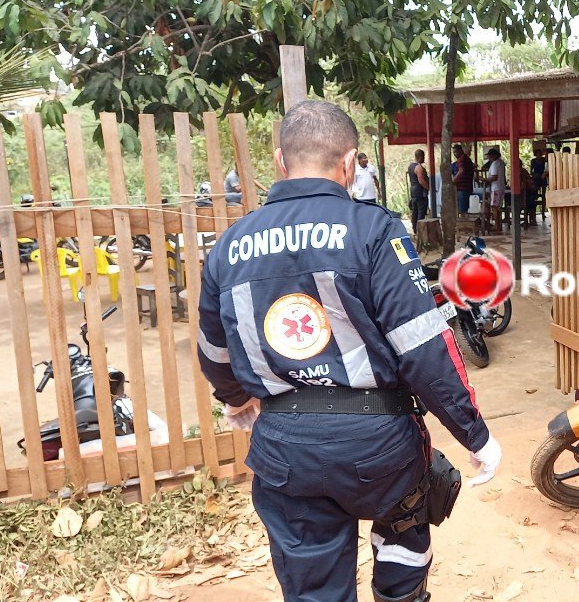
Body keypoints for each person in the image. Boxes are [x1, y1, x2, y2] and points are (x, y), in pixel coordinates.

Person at [196, 100, 502, 602]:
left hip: (284, 447)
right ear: (350, 163)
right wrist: (474, 433)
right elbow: (423, 345)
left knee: (313, 586)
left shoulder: (230, 245)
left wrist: (235, 399)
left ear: (280, 160)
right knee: (405, 527)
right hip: (379, 444)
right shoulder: (374, 230)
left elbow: (214, 349)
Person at [485, 148, 506, 233]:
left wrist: (484, 179)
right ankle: (499, 225)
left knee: (494, 207)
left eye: (490, 156)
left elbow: (494, 177)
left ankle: (497, 226)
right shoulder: (501, 163)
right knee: (498, 207)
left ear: (494, 156)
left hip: (495, 187)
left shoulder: (494, 164)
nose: (489, 157)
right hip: (501, 187)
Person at [408, 149, 429, 230]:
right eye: (423, 156)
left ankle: (414, 228)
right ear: (420, 157)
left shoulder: (411, 166)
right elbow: (421, 181)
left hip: (413, 191)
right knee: (421, 211)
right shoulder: (419, 167)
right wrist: (428, 188)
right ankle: (420, 229)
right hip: (420, 192)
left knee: (415, 211)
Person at [453, 145, 475, 215]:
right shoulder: (467, 159)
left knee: (462, 210)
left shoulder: (461, 159)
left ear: (460, 151)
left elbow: (461, 171)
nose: (454, 154)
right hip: (468, 187)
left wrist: (453, 181)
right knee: (465, 209)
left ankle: (463, 225)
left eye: (455, 152)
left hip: (462, 188)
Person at [531, 149, 547, 221]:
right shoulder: (533, 161)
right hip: (536, 179)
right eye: (537, 154)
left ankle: (543, 212)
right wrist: (535, 175)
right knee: (534, 195)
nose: (538, 155)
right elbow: (532, 171)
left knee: (544, 195)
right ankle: (533, 213)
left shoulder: (544, 160)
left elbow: (546, 169)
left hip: (543, 179)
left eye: (539, 154)